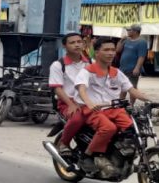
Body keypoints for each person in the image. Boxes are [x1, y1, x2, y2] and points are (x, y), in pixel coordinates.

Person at [74, 36, 149, 174]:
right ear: (96, 53)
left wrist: (150, 100)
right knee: (109, 128)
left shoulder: (117, 72)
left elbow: (132, 90)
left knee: (132, 128)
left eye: (113, 50)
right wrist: (89, 103)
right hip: (94, 110)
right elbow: (81, 89)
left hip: (114, 109)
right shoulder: (87, 71)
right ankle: (87, 155)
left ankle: (119, 154)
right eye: (106, 50)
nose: (111, 53)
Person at [50, 32, 89, 146]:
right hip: (68, 102)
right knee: (77, 119)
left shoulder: (91, 63)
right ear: (64, 46)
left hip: (89, 101)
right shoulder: (58, 65)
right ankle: (63, 143)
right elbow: (57, 88)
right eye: (72, 43)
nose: (77, 45)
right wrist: (71, 104)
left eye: (79, 42)